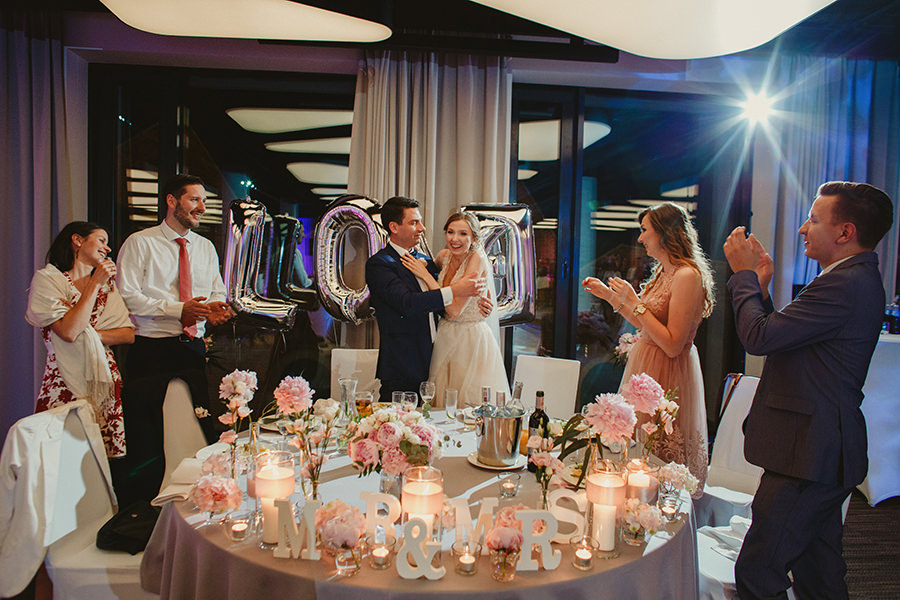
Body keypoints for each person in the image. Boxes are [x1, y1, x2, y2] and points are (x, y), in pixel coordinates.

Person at [723, 181, 893, 600]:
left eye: (814, 219)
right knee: (819, 575)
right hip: (819, 451)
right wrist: (760, 291)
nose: (803, 228)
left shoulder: (845, 282)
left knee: (758, 573)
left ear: (845, 232)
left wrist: (743, 275)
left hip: (809, 454)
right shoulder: (849, 278)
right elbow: (784, 338)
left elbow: (759, 338)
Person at [116, 173, 235, 502]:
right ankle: (140, 509)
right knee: (146, 436)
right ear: (171, 201)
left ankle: (199, 499)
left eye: (204, 201)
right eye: (194, 199)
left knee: (198, 427)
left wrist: (215, 309)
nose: (201, 207)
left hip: (192, 350)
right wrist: (178, 309)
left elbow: (217, 291)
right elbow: (127, 297)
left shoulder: (205, 247)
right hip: (150, 349)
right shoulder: (140, 243)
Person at [582, 202, 714, 495]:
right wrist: (610, 297)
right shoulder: (663, 272)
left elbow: (672, 344)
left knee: (659, 454)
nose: (640, 238)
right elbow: (644, 324)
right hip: (646, 365)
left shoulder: (686, 276)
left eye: (644, 230)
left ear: (665, 233)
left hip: (668, 371)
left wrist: (634, 301)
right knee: (636, 453)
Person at [26, 222, 135, 458]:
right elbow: (68, 332)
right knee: (59, 455)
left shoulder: (108, 287)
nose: (107, 248)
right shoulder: (49, 280)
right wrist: (94, 283)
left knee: (98, 458)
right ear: (77, 240)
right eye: (101, 240)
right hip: (63, 378)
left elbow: (127, 334)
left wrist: (88, 335)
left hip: (102, 379)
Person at [365, 196, 486, 402]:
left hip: (438, 358)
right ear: (394, 227)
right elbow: (408, 304)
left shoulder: (426, 261)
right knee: (397, 421)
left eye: (420, 221)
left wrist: (477, 304)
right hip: (403, 365)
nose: (422, 228)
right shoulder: (380, 265)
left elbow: (438, 303)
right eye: (414, 222)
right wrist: (457, 290)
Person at [401, 211, 510, 407]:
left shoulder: (476, 259)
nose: (454, 239)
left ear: (474, 238)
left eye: (463, 234)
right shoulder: (444, 256)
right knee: (440, 400)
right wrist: (426, 266)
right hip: (444, 335)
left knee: (466, 403)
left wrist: (425, 275)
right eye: (450, 232)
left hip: (469, 340)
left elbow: (454, 310)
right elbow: (436, 281)